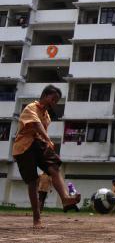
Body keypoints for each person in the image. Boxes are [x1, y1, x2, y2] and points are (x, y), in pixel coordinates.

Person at [12, 85, 80, 228]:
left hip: (38, 144)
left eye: (56, 101)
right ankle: (37, 219)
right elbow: (37, 125)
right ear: (44, 95)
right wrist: (48, 139)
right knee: (32, 182)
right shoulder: (31, 107)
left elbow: (41, 131)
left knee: (54, 167)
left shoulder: (47, 116)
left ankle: (66, 198)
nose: (54, 103)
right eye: (53, 99)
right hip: (23, 147)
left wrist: (46, 144)